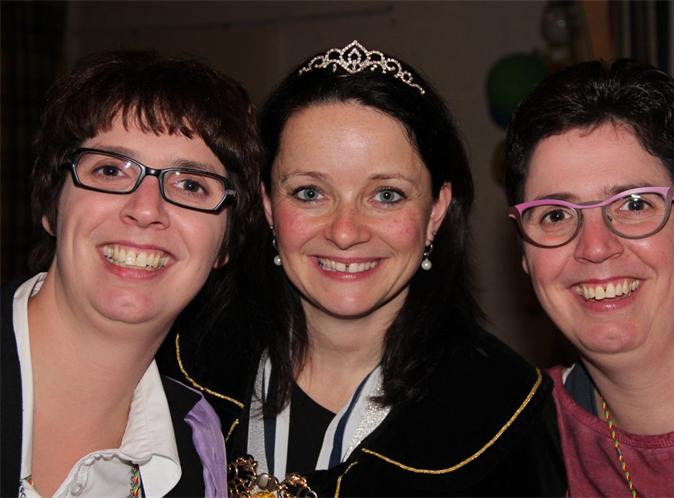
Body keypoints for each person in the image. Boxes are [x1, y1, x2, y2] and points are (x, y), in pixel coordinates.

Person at [170, 40, 566, 497]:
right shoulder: (183, 364)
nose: (345, 232)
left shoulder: (502, 412)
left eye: (386, 195)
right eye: (309, 193)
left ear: (436, 211)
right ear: (268, 205)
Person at [0, 49, 262, 497]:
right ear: (51, 203)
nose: (145, 209)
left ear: (225, 244)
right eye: (110, 170)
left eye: (190, 184)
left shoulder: (198, 450)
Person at [504, 59, 674, 496]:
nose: (596, 247)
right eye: (556, 215)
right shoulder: (523, 437)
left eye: (635, 204)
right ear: (524, 250)